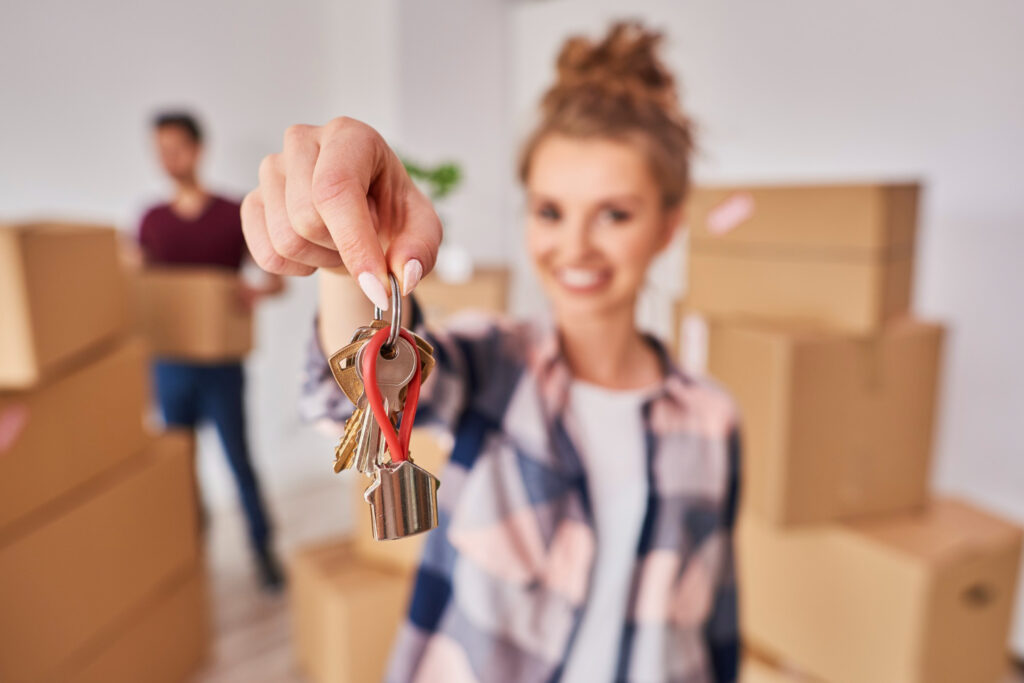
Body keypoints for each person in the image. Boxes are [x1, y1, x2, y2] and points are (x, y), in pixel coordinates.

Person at [243, 21, 740, 682]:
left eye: (615, 213)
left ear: (668, 225)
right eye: (550, 211)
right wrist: (349, 257)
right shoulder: (493, 363)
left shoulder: (713, 418)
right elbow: (355, 398)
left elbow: (717, 619)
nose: (575, 246)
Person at [139, 111, 286, 590]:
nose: (168, 158)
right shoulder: (152, 221)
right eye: (160, 149)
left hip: (222, 365)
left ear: (198, 149)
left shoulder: (231, 213)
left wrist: (252, 294)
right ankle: (187, 552)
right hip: (171, 366)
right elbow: (139, 288)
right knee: (178, 466)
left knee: (239, 460)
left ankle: (263, 550)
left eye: (176, 147)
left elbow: (275, 281)